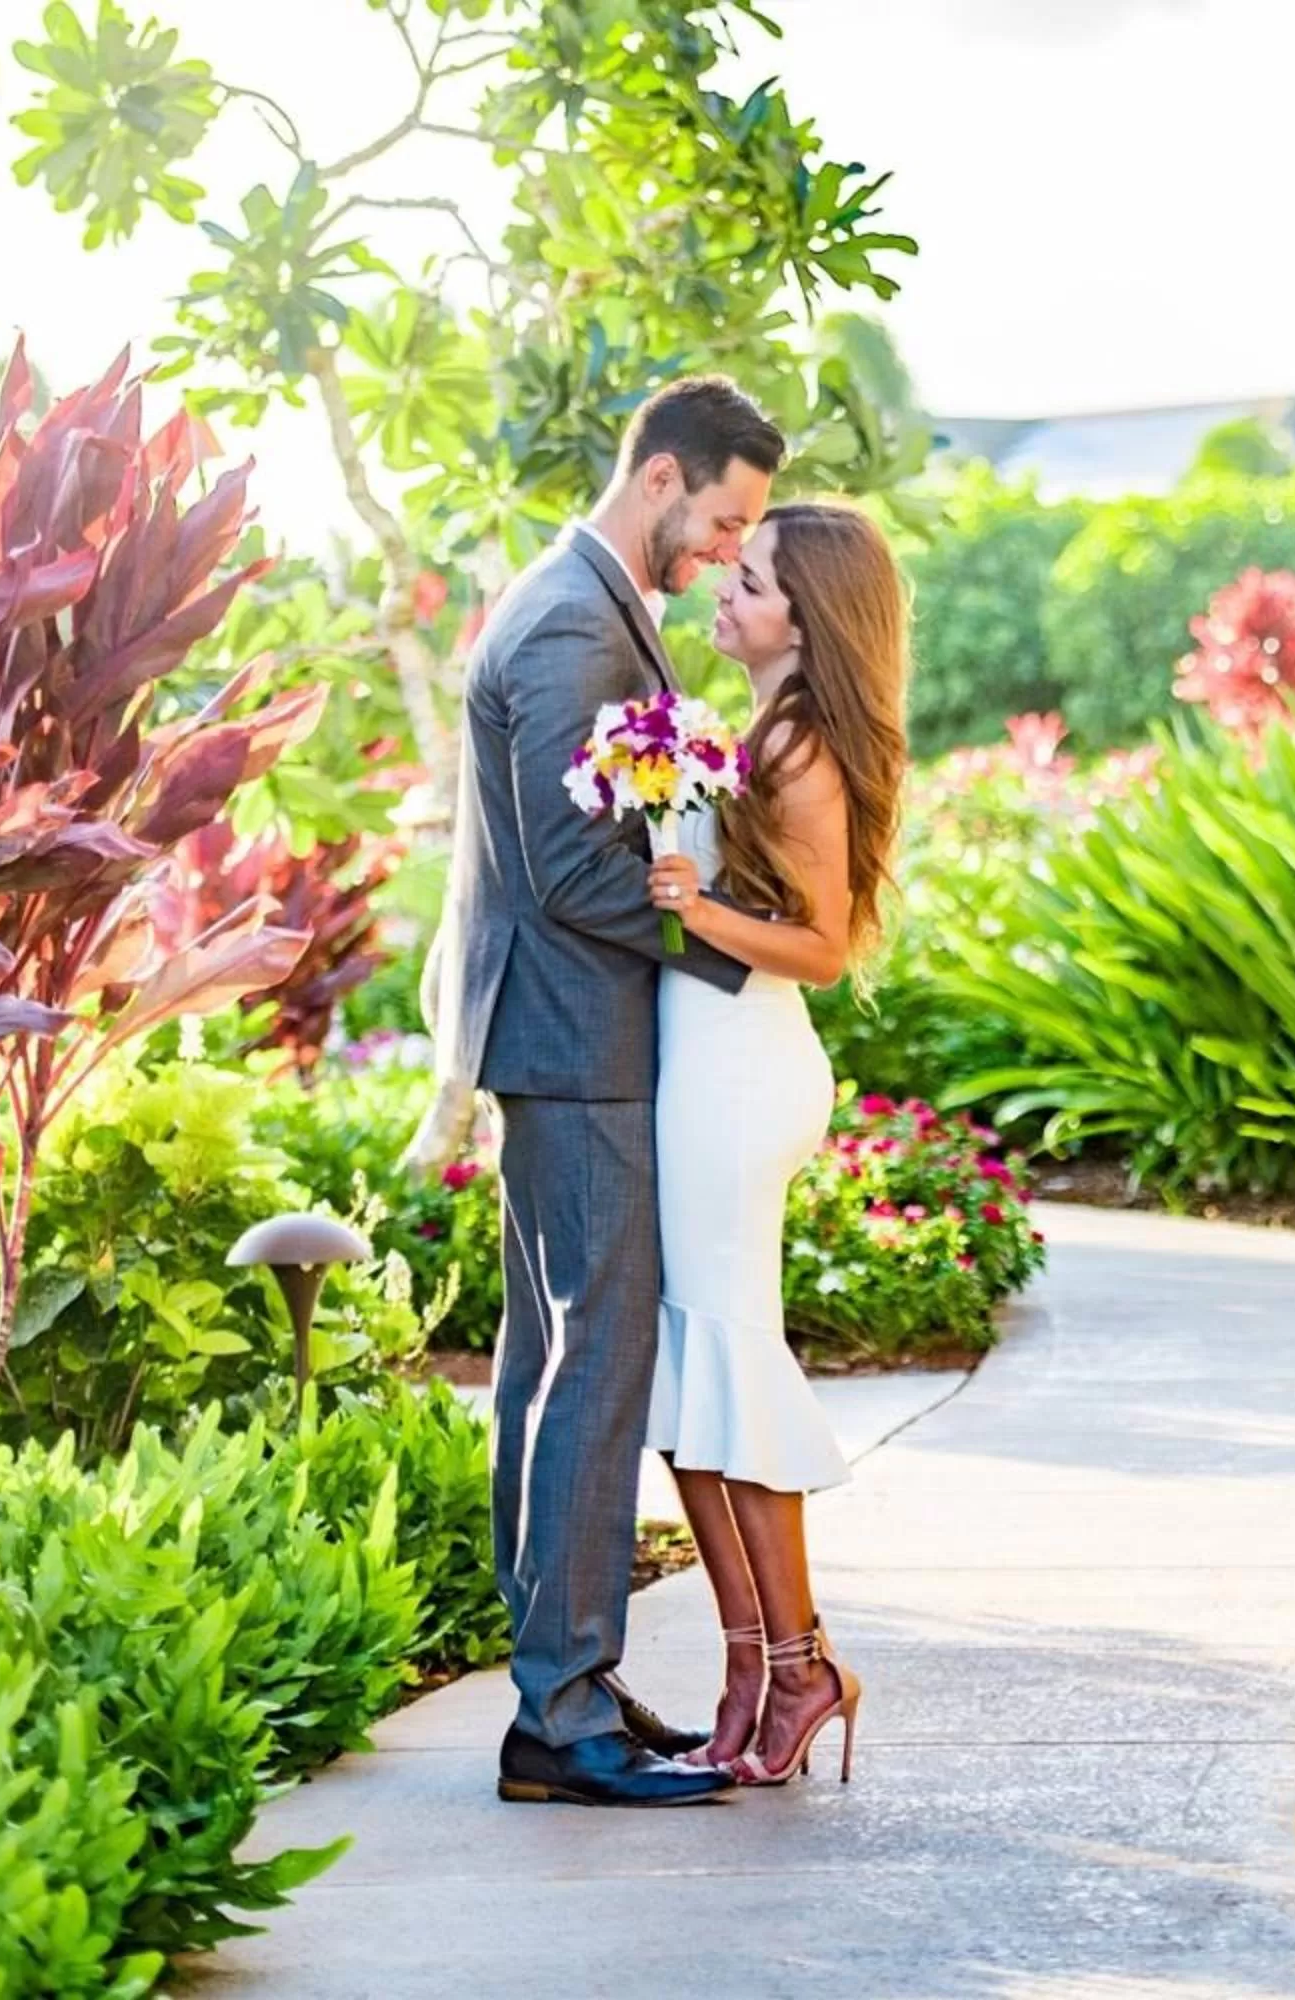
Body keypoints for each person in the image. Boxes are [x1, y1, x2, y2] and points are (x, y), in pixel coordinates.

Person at [407, 376, 782, 1807]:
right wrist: (742, 949)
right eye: (725, 519)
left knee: (544, 1371)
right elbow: (573, 873)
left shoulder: (587, 600)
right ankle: (559, 1723)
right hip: (570, 1040)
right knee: (594, 1365)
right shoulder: (572, 621)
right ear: (666, 476)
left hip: (556, 1036)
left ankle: (566, 1683)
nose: (722, 550)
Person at [641, 500, 910, 1786]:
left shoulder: (801, 747)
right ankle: (754, 1662)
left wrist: (696, 904)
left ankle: (798, 1662)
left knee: (727, 1365)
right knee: (691, 1378)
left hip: (742, 1075)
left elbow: (824, 943)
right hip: (701, 1065)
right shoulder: (751, 727)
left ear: (808, 611)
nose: (721, 592)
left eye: (745, 581)